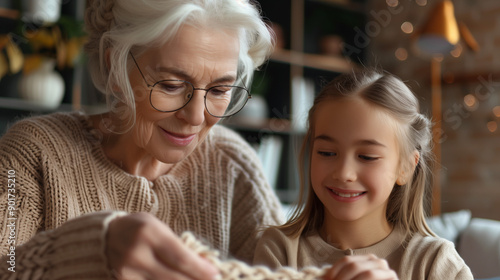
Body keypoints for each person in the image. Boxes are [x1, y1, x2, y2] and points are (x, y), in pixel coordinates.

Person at [0, 0, 283, 279]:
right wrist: (94, 248)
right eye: (171, 85)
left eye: (220, 90)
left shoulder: (232, 163)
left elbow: (285, 270)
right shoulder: (32, 153)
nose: (196, 117)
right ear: (116, 68)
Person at [253, 69, 473, 280]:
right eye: (327, 153)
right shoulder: (280, 250)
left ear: (406, 167)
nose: (344, 173)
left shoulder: (435, 262)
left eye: (367, 157)